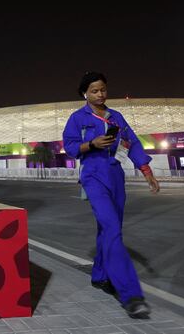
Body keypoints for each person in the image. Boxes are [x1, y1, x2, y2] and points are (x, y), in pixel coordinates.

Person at [62, 72, 160, 318]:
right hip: (93, 177)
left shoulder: (116, 117)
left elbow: (133, 143)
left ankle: (99, 275)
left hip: (116, 177)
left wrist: (146, 171)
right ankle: (131, 295)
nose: (100, 94)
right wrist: (91, 144)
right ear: (85, 93)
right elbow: (70, 147)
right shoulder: (77, 118)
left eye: (103, 89)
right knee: (112, 228)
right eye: (94, 90)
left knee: (109, 229)